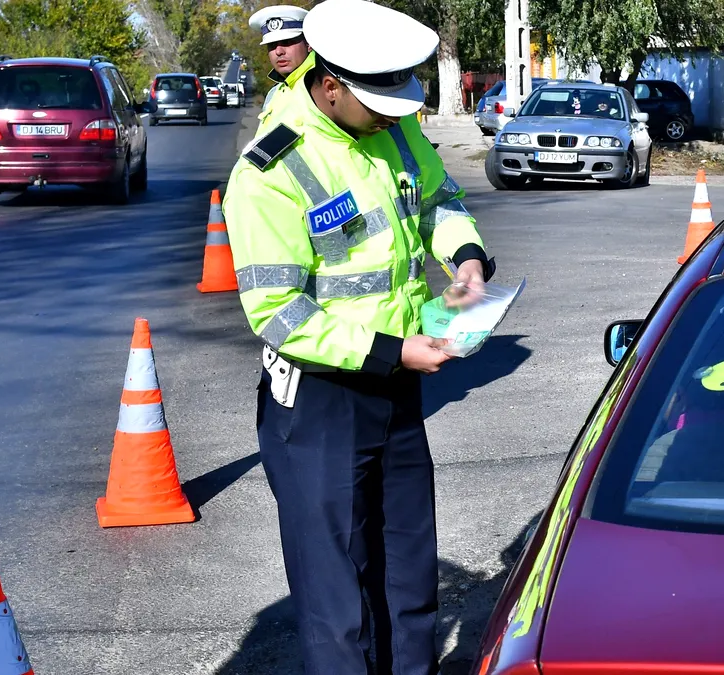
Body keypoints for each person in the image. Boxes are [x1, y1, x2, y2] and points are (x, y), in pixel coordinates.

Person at [220, 0, 496, 673]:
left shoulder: (393, 131)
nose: (394, 115)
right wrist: (395, 349)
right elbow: (279, 314)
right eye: (380, 104)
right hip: (320, 404)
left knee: (408, 578)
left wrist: (465, 260)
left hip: (398, 390)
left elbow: (439, 202)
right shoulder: (269, 173)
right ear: (331, 87)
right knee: (338, 606)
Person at [248, 4, 315, 128]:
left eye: (287, 42)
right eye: (272, 45)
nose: (278, 51)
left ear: (309, 43)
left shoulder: (325, 86)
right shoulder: (274, 94)